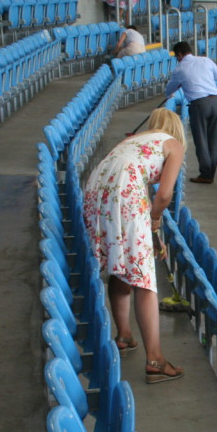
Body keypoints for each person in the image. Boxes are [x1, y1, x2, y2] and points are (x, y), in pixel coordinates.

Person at [82, 108, 185, 384]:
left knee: (120, 262)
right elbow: (164, 194)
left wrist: (153, 233)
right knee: (143, 278)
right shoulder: (172, 144)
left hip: (96, 188)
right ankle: (155, 360)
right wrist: (154, 218)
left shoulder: (134, 141)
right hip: (125, 191)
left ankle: (125, 335)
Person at [164, 41, 217, 184]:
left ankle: (206, 174)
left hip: (198, 104)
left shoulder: (180, 69)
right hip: (215, 101)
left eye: (176, 56)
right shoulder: (205, 60)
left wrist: (170, 94)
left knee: (201, 140)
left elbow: (170, 88)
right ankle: (211, 173)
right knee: (213, 139)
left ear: (179, 54)